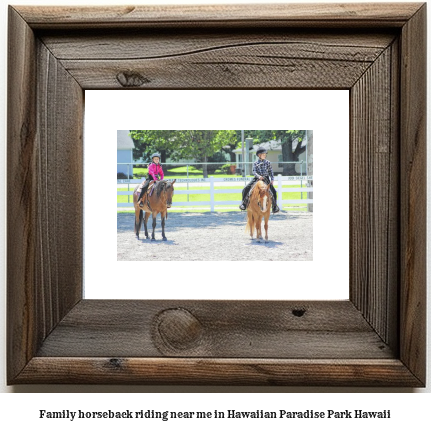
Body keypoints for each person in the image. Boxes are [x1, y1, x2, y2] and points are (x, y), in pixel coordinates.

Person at [239, 147, 280, 213]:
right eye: (263, 154)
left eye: (265, 154)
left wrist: (272, 179)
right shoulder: (255, 163)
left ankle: (274, 206)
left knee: (274, 191)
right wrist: (259, 176)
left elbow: (271, 172)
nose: (265, 155)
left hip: (266, 178)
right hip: (257, 178)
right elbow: (254, 172)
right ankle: (244, 203)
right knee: (245, 188)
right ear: (259, 155)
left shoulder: (268, 163)